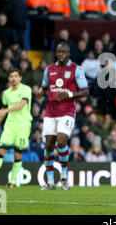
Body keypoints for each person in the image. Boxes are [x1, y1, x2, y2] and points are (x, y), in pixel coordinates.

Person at [37, 42, 89, 190]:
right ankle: (51, 182)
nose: (61, 54)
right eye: (59, 52)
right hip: (50, 111)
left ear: (69, 54)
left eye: (64, 52)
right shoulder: (49, 70)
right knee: (48, 145)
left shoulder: (76, 70)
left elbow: (85, 91)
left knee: (61, 140)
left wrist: (70, 94)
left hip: (67, 111)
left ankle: (64, 176)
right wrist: (41, 92)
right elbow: (45, 86)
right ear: (56, 53)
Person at [0, 68, 33, 188]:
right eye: (11, 76)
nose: (13, 78)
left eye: (16, 76)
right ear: (9, 79)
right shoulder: (6, 93)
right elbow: (3, 111)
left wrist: (5, 110)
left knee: (17, 154)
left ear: (20, 78)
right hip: (10, 125)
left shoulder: (26, 89)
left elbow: (21, 105)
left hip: (23, 124)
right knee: (1, 150)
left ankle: (12, 182)